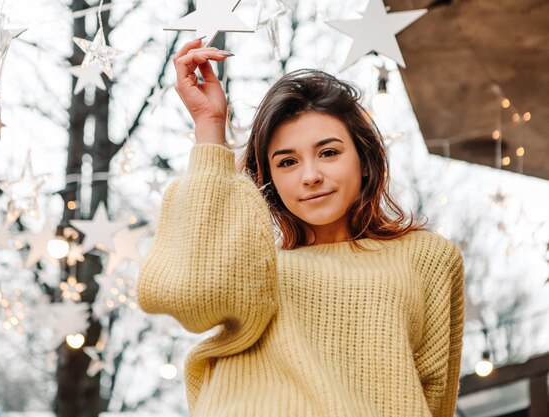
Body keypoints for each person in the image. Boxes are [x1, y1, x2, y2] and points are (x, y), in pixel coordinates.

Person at [137, 38, 465, 417]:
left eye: (328, 153)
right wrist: (210, 129)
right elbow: (190, 297)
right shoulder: (255, 268)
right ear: (270, 179)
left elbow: (433, 393)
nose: (310, 176)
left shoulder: (427, 257)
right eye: (287, 162)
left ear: (363, 159)